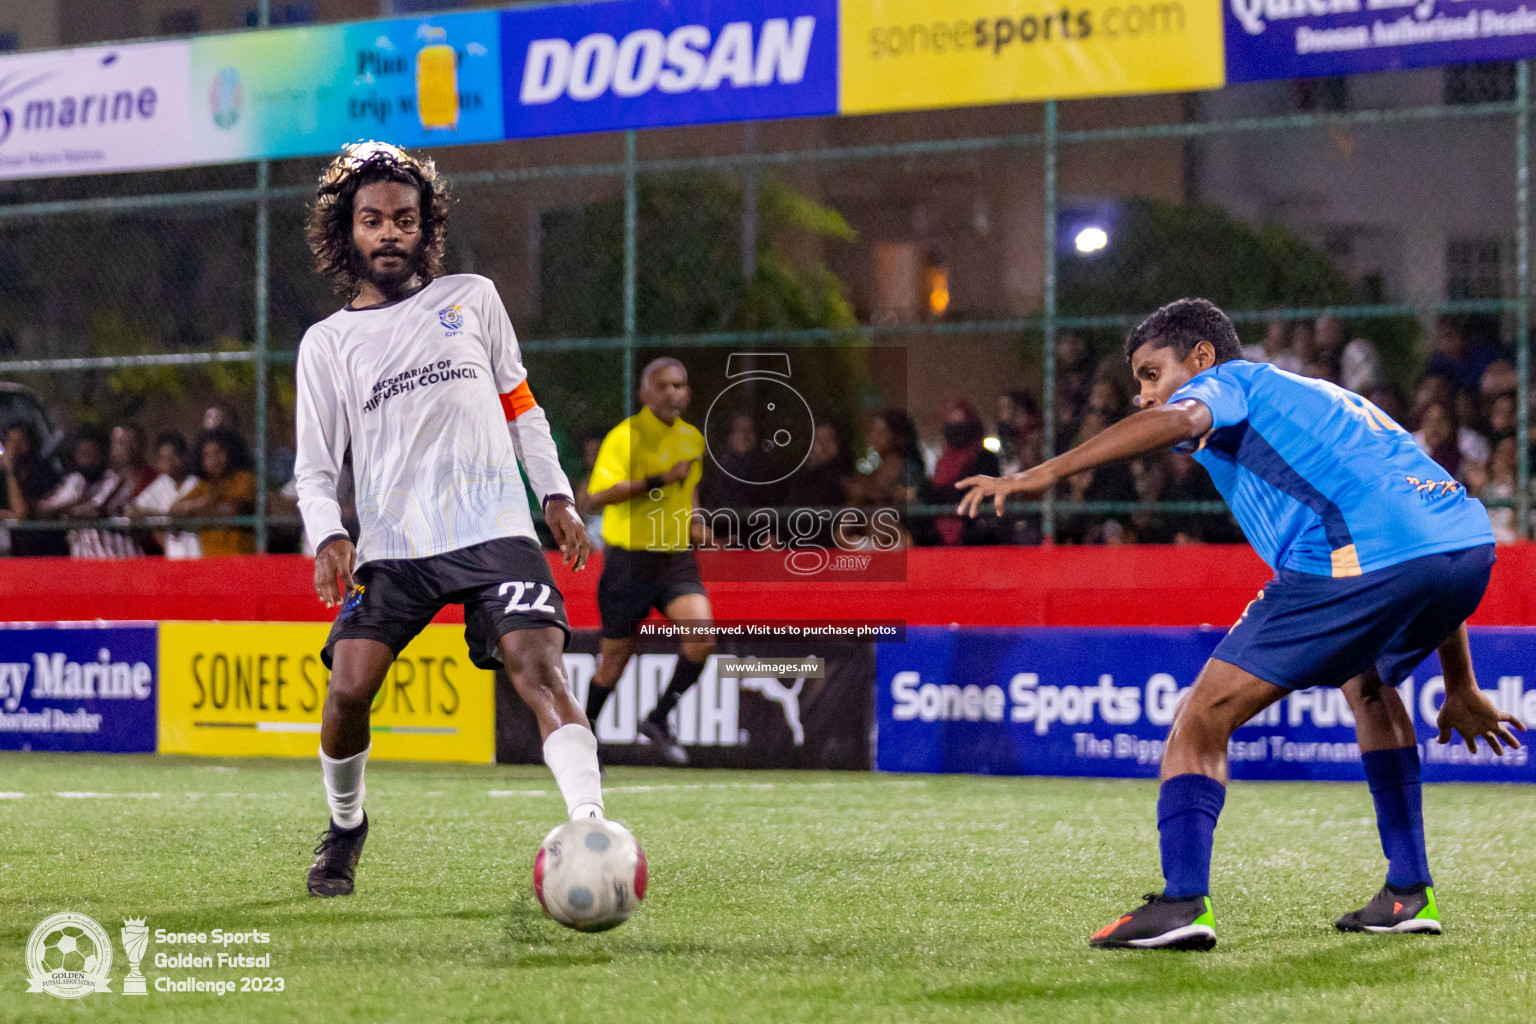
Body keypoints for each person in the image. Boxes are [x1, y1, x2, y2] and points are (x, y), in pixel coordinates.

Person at [958, 297, 1523, 950]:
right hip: (1464, 547)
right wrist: (1459, 683)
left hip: (1360, 554)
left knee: (1202, 716)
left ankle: (1181, 903)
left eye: (1150, 374)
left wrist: (1043, 473)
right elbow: (1419, 542)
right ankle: (1408, 891)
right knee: (1366, 684)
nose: (1145, 396)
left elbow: (1182, 414)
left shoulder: (1227, 383)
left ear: (1200, 358)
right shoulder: (1324, 398)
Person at [291, 141, 597, 898]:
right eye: (372, 220)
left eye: (403, 218)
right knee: (349, 689)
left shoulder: (473, 298)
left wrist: (554, 493)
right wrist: (329, 532)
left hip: (493, 526)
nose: (388, 232)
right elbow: (315, 467)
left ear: (426, 228)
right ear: (347, 231)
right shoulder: (327, 344)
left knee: (540, 667)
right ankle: (346, 826)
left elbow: (521, 407)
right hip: (395, 545)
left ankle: (590, 826)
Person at [582, 358, 715, 767]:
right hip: (629, 563)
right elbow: (598, 494)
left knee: (702, 639)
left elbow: (688, 490)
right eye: (664, 386)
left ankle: (657, 719)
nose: (673, 393)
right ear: (645, 394)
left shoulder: (692, 438)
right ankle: (583, 738)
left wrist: (695, 521)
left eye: (680, 385)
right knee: (614, 661)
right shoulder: (625, 437)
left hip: (675, 560)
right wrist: (658, 479)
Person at [70, 423, 157, 558]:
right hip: (108, 556)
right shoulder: (105, 481)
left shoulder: (155, 479)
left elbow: (98, 510)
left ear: (142, 444)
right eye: (120, 443)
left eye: (131, 442)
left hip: (149, 555)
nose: (126, 448)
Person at [170, 428, 257, 556]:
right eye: (208, 455)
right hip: (211, 563)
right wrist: (202, 502)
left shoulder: (245, 479)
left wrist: (195, 513)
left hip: (242, 560)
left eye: (219, 452)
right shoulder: (203, 486)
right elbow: (174, 511)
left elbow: (233, 510)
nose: (214, 460)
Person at [927, 399, 999, 546]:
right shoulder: (942, 461)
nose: (955, 430)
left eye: (961, 425)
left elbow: (978, 494)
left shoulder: (985, 458)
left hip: (974, 535)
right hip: (939, 538)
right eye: (951, 425)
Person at [127, 432, 202, 558]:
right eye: (164, 458)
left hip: (199, 556)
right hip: (173, 557)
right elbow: (132, 510)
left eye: (174, 457)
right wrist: (166, 516)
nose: (170, 462)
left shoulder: (197, 482)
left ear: (185, 456)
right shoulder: (162, 484)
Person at [0, 419, 67, 557]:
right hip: (12, 555)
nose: (23, 449)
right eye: (16, 444)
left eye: (26, 442)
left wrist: (11, 473)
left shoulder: (44, 472)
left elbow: (22, 513)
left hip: (44, 552)